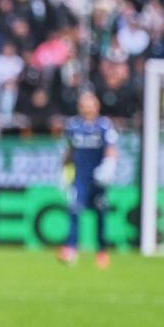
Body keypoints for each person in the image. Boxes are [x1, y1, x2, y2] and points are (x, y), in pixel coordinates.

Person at [59, 91, 119, 268]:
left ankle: (102, 251)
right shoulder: (73, 126)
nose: (86, 107)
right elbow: (69, 150)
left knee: (100, 213)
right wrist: (63, 170)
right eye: (84, 104)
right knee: (74, 210)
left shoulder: (104, 126)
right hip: (80, 177)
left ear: (97, 106)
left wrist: (109, 165)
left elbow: (112, 148)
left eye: (90, 104)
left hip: (99, 177)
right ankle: (71, 248)